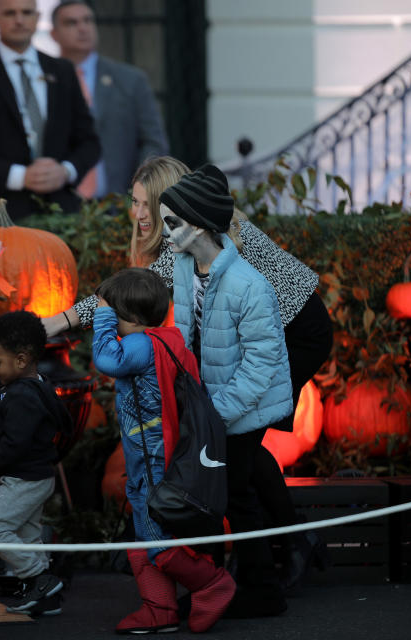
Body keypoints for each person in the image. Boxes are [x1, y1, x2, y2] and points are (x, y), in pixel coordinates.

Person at [44, 155, 333, 590]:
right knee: (243, 447)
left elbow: (126, 296)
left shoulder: (204, 232)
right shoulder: (185, 239)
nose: (138, 214)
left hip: (297, 332)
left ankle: (276, 555)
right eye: (135, 203)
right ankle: (284, 546)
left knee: (240, 444)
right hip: (261, 335)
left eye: (146, 204)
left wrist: (60, 321)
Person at [159, 164, 293, 616]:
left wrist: (217, 414)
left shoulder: (248, 285)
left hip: (243, 406)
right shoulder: (183, 265)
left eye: (171, 222)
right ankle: (211, 585)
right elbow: (185, 332)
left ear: (198, 223)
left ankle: (262, 591)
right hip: (210, 403)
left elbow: (262, 362)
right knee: (210, 497)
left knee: (234, 496)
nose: (165, 232)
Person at [92, 268, 235, 634]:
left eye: (113, 313)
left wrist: (103, 316)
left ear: (129, 317)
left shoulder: (140, 344)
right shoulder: (165, 339)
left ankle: (210, 583)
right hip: (150, 455)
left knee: (156, 536)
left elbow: (107, 360)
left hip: (153, 459)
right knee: (144, 532)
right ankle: (160, 608)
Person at [0, 0, 101, 225]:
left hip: (64, 215)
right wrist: (19, 176)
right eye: (10, 13)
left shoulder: (62, 70)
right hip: (1, 215)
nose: (19, 20)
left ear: (37, 18)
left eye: (26, 12)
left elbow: (90, 142)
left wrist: (65, 171)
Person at [0, 311, 72, 618]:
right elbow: (66, 424)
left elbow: (12, 446)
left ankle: (39, 579)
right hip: (39, 476)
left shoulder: (20, 397)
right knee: (29, 534)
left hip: (22, 479)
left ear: (20, 360)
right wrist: (52, 456)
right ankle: (44, 598)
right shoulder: (42, 385)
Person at [50, 1, 168, 198]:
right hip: (57, 206)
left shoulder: (130, 80)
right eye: (71, 23)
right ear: (54, 34)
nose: (83, 28)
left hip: (119, 205)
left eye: (88, 21)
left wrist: (141, 190)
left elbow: (154, 142)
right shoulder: (44, 78)